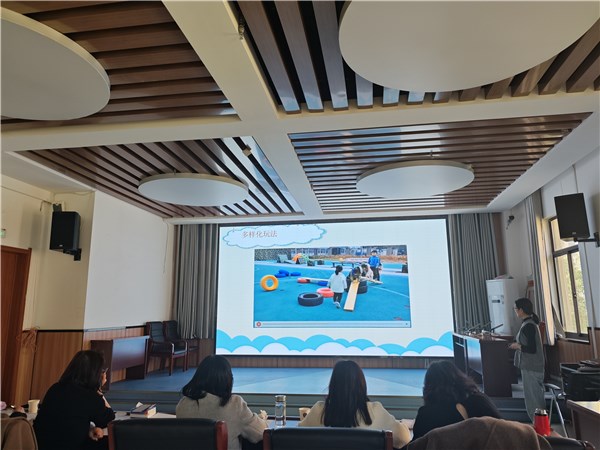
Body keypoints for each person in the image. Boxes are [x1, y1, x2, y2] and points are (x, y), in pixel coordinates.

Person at [299, 360, 410, 449]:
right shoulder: (375, 411)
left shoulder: (319, 410)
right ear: (361, 384)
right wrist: (404, 424)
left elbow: (296, 437)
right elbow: (404, 439)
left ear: (333, 385)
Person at [176, 355, 267, 450]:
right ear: (228, 379)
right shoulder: (235, 404)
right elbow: (261, 433)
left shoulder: (183, 405)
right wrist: (262, 419)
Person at [33, 350, 115, 450]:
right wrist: (99, 389)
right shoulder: (90, 396)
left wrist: (89, 429)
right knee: (113, 442)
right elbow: (109, 418)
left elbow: (68, 420)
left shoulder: (55, 388)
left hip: (42, 445)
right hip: (69, 446)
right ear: (95, 374)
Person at [411, 360, 501, 440]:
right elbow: (503, 431)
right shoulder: (480, 401)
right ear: (460, 378)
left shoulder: (427, 414)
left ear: (428, 387)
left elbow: (417, 445)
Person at [509, 297, 545, 421]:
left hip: (532, 367)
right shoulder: (528, 323)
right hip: (530, 366)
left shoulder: (529, 325)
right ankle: (539, 425)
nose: (515, 311)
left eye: (515, 309)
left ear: (521, 310)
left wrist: (517, 346)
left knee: (534, 400)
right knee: (533, 398)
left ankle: (540, 427)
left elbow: (532, 348)